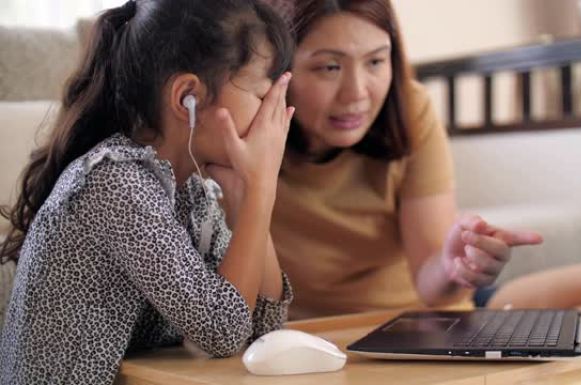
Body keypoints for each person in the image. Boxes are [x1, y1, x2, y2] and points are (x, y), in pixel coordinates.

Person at [0, 0, 295, 383]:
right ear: (187, 97)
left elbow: (265, 328)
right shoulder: (117, 184)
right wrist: (261, 190)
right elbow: (221, 330)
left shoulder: (188, 190)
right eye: (263, 95)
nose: (274, 117)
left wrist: (245, 196)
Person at [265, 0, 543, 320]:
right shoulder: (246, 134)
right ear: (277, 68)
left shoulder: (411, 110)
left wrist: (456, 268)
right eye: (330, 67)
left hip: (418, 323)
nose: (356, 93)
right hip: (316, 340)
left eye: (375, 62)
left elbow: (432, 286)